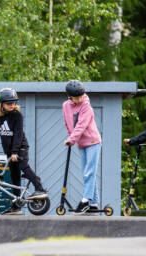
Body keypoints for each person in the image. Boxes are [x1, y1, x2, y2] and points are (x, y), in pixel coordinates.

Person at [0, 88, 48, 215]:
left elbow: (18, 135)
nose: (12, 105)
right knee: (14, 175)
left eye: (13, 103)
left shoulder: (17, 115)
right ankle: (16, 205)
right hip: (10, 151)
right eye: (8, 103)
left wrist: (15, 152)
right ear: (1, 104)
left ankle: (40, 188)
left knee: (23, 166)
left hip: (20, 147)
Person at [62, 80, 102, 214]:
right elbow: (69, 124)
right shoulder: (66, 106)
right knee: (87, 172)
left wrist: (72, 139)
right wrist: (70, 138)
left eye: (81, 96)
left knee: (89, 172)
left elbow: (81, 125)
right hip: (81, 143)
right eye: (76, 97)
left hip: (93, 142)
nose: (79, 99)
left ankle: (85, 201)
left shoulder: (86, 106)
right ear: (70, 97)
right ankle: (94, 204)